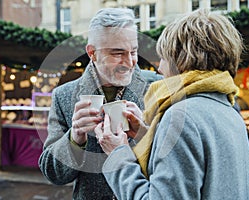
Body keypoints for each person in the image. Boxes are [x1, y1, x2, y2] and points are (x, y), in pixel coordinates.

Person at [95, 8, 249, 199]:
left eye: (163, 56)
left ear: (180, 59)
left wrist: (117, 154)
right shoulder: (228, 111)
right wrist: (145, 135)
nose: (160, 68)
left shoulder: (182, 117)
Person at [38, 8, 161, 200]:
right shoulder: (64, 95)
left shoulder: (157, 88)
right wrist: (75, 137)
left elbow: (175, 166)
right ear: (92, 53)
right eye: (118, 53)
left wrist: (144, 135)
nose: (129, 62)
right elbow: (53, 174)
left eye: (134, 51)